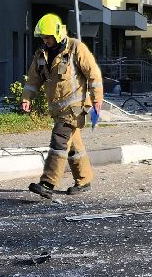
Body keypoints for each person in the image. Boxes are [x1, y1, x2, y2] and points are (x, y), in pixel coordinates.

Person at [20, 13, 104, 200]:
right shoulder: (42, 53)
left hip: (75, 107)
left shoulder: (76, 48)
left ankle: (48, 183)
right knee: (74, 146)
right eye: (42, 37)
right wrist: (27, 97)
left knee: (59, 141)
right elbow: (34, 79)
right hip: (57, 109)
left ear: (57, 34)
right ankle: (84, 180)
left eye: (48, 37)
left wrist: (97, 99)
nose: (45, 40)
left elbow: (93, 74)